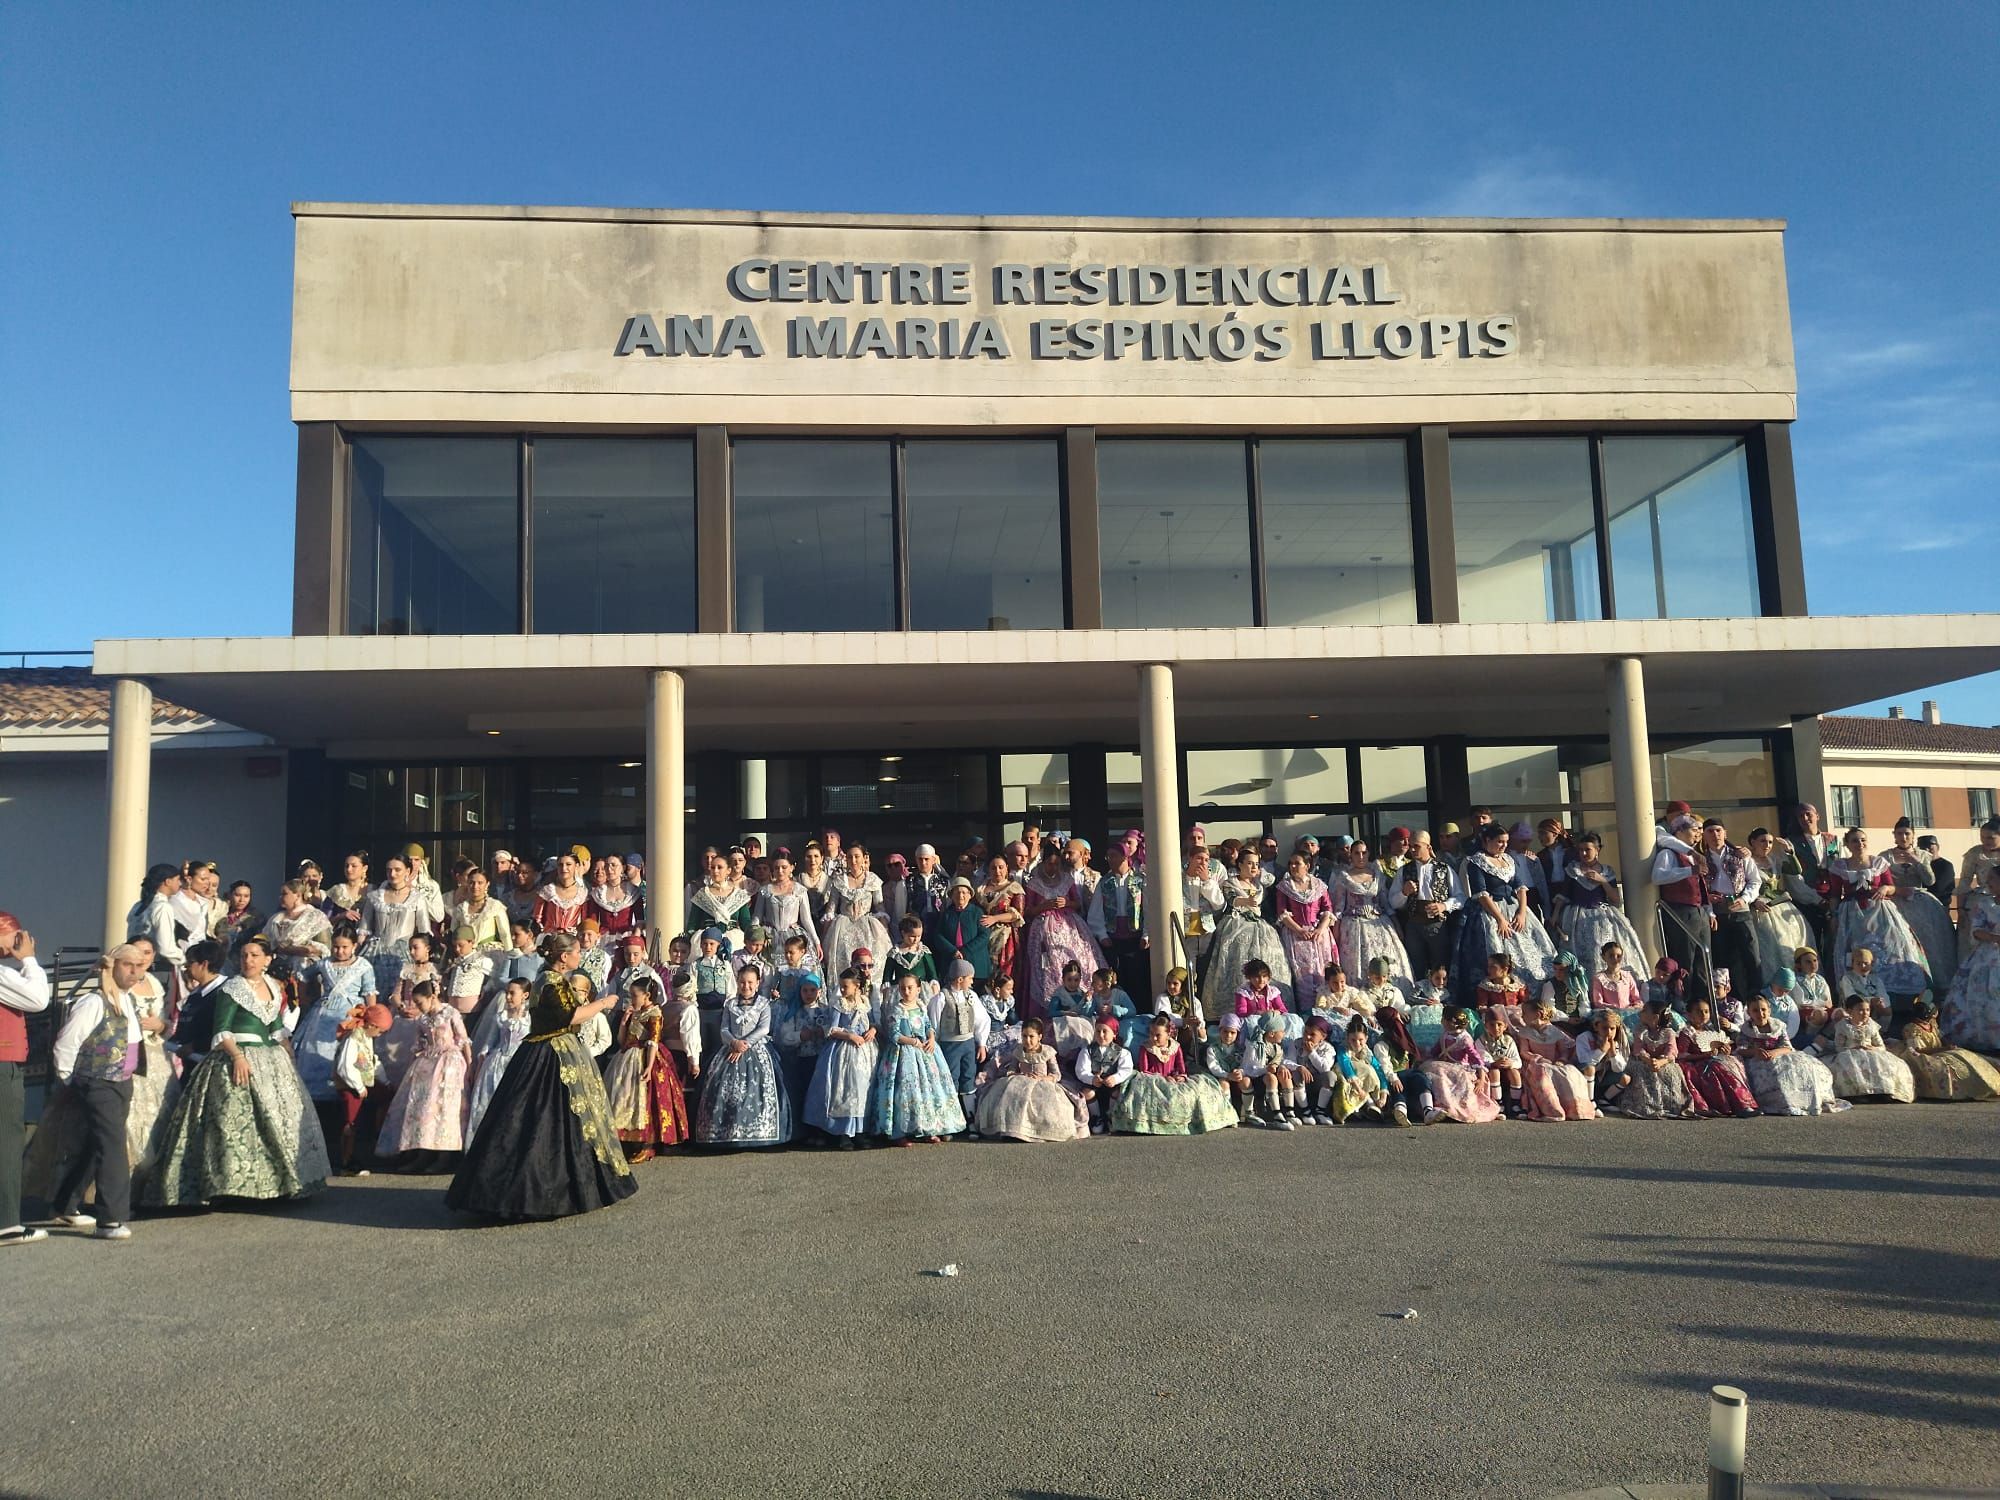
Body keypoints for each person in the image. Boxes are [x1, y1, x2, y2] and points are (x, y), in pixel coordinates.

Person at [447, 934, 635, 1220]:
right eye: (575, 952)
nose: (579, 956)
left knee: (556, 1120)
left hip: (547, 1050)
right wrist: (604, 1003)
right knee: (549, 1119)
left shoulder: (548, 979)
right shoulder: (552, 982)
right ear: (564, 957)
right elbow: (568, 1017)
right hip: (552, 1054)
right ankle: (536, 1191)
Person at [141, 934, 332, 1206]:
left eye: (254, 955)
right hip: (236, 1057)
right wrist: (237, 1057)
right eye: (244, 955)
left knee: (282, 1118)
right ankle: (233, 1186)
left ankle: (284, 1182)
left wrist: (286, 1046)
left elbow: (275, 1026)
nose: (248, 960)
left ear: (268, 959)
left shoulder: (272, 986)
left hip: (271, 1059)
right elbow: (222, 1030)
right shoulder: (233, 988)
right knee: (231, 1121)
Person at [44, 946, 163, 1239]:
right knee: (112, 1146)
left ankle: (64, 1204)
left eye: (139, 965)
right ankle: (111, 1218)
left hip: (121, 1080)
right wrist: (68, 1079)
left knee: (93, 1144)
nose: (136, 972)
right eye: (128, 965)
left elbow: (133, 1039)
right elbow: (67, 1043)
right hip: (98, 1081)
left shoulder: (126, 999)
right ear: (112, 967)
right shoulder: (93, 1003)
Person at [1452, 822, 1557, 1005]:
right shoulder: (1476, 862)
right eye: (1499, 841)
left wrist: (1522, 912)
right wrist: (1500, 919)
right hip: (1489, 912)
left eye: (1506, 842)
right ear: (1487, 841)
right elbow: (1481, 894)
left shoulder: (1508, 859)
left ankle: (1532, 998)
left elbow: (1520, 886)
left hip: (1514, 908)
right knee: (1495, 951)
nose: (1504, 845)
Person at [1825, 827, 1930, 1002]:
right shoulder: (1839, 866)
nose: (1860, 844)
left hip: (1879, 912)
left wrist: (1884, 888)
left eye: (1863, 840)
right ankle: (1857, 995)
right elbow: (1835, 894)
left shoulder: (1878, 862)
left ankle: (1895, 997)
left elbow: (1892, 887)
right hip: (1852, 914)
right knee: (1856, 951)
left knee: (1891, 948)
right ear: (1847, 844)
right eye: (1855, 841)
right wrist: (1834, 916)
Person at [375, 980, 472, 1169]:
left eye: (420, 1003)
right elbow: (418, 1044)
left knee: (444, 1109)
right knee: (421, 1107)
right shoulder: (423, 1019)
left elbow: (463, 1040)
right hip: (427, 1063)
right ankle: (421, 1152)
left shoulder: (450, 1013)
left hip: (448, 1064)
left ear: (432, 997)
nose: (417, 1007)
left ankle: (443, 1156)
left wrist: (469, 1067)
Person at [695, 966, 793, 1148]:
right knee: (721, 1086)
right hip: (730, 1048)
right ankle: (723, 1131)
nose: (745, 986)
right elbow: (724, 1028)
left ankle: (759, 1131)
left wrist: (744, 1044)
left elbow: (764, 1029)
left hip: (756, 1049)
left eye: (750, 982)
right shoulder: (730, 1004)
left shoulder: (764, 1004)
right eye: (742, 982)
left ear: (757, 983)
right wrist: (734, 1043)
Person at [868, 972, 966, 1144]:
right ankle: (900, 1132)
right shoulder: (896, 1010)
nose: (906, 991)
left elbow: (928, 1025)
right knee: (904, 1091)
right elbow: (894, 1034)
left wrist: (932, 1038)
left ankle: (929, 1127)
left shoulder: (921, 1006)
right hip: (903, 1053)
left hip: (924, 1051)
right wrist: (912, 1041)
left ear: (918, 989)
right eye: (903, 988)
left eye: (910, 988)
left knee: (929, 1089)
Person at [603, 973, 689, 1160]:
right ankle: (628, 1140)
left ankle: (648, 1143)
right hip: (627, 1056)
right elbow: (621, 1040)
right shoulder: (635, 1012)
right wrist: (624, 1023)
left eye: (635, 995)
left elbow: (653, 1042)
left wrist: (649, 1067)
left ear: (647, 996)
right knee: (623, 1097)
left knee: (647, 1100)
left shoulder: (654, 1014)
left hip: (645, 1057)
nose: (632, 999)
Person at [1018, 846, 1108, 1019]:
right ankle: (1048, 1008)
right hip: (1043, 928)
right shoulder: (1034, 883)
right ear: (1043, 863)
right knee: (1046, 968)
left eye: (1056, 864)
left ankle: (1085, 1001)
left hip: (1069, 925)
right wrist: (1044, 906)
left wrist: (1066, 902)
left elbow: (1078, 904)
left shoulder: (1067, 880)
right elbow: (1028, 911)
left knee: (1081, 959)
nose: (1053, 868)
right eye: (1050, 864)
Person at [1198, 848, 1292, 1011]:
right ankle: (1235, 1004)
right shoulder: (1231, 882)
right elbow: (1231, 899)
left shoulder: (1258, 884)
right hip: (1237, 923)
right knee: (1236, 952)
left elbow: (1271, 880)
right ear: (1240, 864)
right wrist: (1245, 901)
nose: (1253, 867)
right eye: (1249, 863)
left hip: (1259, 924)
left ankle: (1269, 1001)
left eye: (1256, 864)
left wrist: (1260, 874)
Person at [1112, 1012, 1236, 1135]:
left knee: (1193, 1092)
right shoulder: (1146, 1047)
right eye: (1151, 1034)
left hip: (1173, 1078)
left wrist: (1179, 1075)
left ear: (1168, 1034)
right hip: (1152, 1079)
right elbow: (1144, 1070)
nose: (1153, 1038)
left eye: (1158, 1035)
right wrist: (1163, 1078)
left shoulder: (1175, 1047)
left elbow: (1181, 1067)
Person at [970, 1016, 1085, 1142]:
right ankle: (1013, 1131)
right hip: (1022, 1081)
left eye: (1031, 1037)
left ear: (1039, 1037)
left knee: (1046, 1102)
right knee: (1012, 1094)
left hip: (1042, 1083)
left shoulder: (1047, 1052)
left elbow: (1056, 1074)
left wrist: (1044, 1078)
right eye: (1024, 1036)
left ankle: (1038, 1131)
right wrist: (1017, 1074)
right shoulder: (1019, 1051)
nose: (1027, 1040)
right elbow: (1012, 1069)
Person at [1556, 833, 1647, 984]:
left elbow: (1616, 899)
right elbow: (1564, 894)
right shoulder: (1573, 870)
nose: (1583, 853)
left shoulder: (1607, 871)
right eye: (1581, 850)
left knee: (1602, 948)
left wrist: (1602, 881)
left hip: (1602, 915)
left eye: (1587, 850)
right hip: (1577, 917)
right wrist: (1555, 915)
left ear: (1597, 850)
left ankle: (1610, 986)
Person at [803, 968, 879, 1146]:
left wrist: (873, 1030)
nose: (843, 990)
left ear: (856, 986)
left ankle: (860, 1130)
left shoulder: (865, 1002)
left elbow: (873, 1021)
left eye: (846, 986)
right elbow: (832, 1029)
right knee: (844, 1090)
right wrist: (849, 1036)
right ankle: (843, 1131)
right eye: (841, 986)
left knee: (862, 1090)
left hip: (864, 1052)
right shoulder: (839, 1005)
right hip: (843, 1051)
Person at [1735, 993, 1841, 1116]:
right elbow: (1740, 1049)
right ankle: (1783, 1103)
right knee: (1773, 1074)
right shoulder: (1746, 1029)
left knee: (1803, 1067)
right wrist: (1755, 1051)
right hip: (1757, 1060)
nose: (1760, 1013)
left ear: (1769, 1010)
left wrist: (1775, 1052)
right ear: (1749, 1012)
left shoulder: (1778, 1026)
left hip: (1780, 1055)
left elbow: (1787, 1047)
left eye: (1763, 1009)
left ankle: (1806, 1101)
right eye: (1755, 1010)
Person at [1884, 818, 1957, 994]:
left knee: (1929, 942)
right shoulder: (1885, 856)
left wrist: (1916, 861)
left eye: (1907, 833)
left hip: (1920, 901)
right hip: (1896, 901)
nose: (1903, 837)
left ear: (1913, 836)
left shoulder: (1923, 855)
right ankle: (1907, 984)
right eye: (1899, 833)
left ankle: (1935, 982)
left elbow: (1930, 880)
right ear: (1894, 836)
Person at [360, 853, 445, 997]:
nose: (392, 873)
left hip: (405, 952)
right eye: (389, 870)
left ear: (408, 871)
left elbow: (424, 931)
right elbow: (364, 929)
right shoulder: (375, 897)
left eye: (397, 870)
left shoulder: (416, 898)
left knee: (402, 993)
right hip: (376, 952)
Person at [1648, 806, 1713, 989]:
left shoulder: (1693, 856)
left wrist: (1709, 911)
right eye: (1693, 830)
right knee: (1686, 960)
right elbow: (1658, 876)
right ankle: (1684, 1000)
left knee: (1703, 960)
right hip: (1681, 910)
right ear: (1679, 832)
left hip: (1699, 912)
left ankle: (1703, 1002)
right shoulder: (1668, 853)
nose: (1698, 834)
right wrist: (1689, 870)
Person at [1891, 997, 2000, 1102]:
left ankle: (1989, 1084)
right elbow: (1918, 1050)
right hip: (1925, 1055)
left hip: (1940, 1051)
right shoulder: (1912, 1028)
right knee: (1948, 1067)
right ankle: (1970, 1089)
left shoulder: (1932, 1025)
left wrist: (1949, 1046)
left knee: (1966, 1056)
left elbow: (1942, 1037)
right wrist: (1944, 1049)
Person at [1745, 828, 1815, 987]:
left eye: (1770, 842)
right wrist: (1754, 900)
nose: (1767, 845)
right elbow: (1742, 886)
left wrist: (1790, 852)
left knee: (1794, 941)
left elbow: (1796, 870)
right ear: (1752, 842)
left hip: (1780, 906)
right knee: (1771, 948)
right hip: (1761, 909)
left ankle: (1799, 983)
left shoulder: (1774, 860)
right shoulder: (1747, 862)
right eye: (1763, 841)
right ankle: (1775, 985)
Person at [330, 1003, 395, 1174]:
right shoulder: (352, 1039)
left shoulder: (366, 1037)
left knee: (385, 1098)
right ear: (372, 1025)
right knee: (350, 1122)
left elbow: (370, 1061)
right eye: (380, 1031)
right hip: (349, 1085)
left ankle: (376, 1142)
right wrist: (358, 1087)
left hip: (362, 1083)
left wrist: (385, 1081)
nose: (380, 1035)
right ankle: (346, 1160)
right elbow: (344, 1067)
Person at [1942, 865, 2000, 1051]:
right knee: (1980, 993)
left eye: (1992, 879)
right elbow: (1976, 930)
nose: (1988, 883)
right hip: (1987, 955)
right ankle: (1985, 1038)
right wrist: (1994, 938)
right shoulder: (1985, 904)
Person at [1674, 994, 1761, 1118]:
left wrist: (1725, 1049)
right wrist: (1704, 1055)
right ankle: (1732, 1105)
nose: (1703, 1015)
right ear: (1689, 1014)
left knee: (1732, 1062)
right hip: (1697, 1063)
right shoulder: (1687, 1032)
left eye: (1706, 1011)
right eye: (1699, 1012)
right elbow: (1682, 1055)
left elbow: (1723, 1045)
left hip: (1714, 1060)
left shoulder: (1711, 1029)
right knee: (1716, 1068)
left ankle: (1745, 1104)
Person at [1514, 994, 1597, 1121]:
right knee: (1541, 1071)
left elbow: (1564, 1051)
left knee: (1569, 1072)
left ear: (1538, 1014)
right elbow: (1524, 1051)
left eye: (1525, 1013)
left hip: (1554, 1063)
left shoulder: (1555, 1031)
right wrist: (1538, 1058)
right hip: (1534, 1064)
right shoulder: (1525, 1032)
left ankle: (1577, 1109)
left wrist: (1561, 1060)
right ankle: (1552, 1110)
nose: (1522, 1017)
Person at [1391, 830, 1461, 979]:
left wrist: (1444, 906)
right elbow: (1392, 902)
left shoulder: (1444, 869)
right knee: (1416, 965)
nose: (1412, 849)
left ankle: (1442, 996)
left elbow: (1460, 897)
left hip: (1437, 924)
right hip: (1413, 923)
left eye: (1416, 846)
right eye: (1411, 846)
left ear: (1428, 847)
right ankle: (1419, 996)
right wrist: (1404, 893)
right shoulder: (1404, 871)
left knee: (1441, 964)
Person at [929, 959, 991, 1127]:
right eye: (970, 978)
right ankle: (951, 1119)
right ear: (960, 979)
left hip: (968, 1044)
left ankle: (969, 1117)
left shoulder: (971, 996)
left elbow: (981, 1020)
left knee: (968, 1077)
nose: (972, 982)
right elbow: (933, 1023)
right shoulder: (941, 998)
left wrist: (981, 1043)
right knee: (951, 1078)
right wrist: (935, 1042)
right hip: (950, 1046)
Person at [1827, 994, 1916, 1104]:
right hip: (1850, 1052)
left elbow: (1881, 1045)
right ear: (1850, 1011)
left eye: (1868, 1010)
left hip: (1870, 1051)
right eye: (1860, 1010)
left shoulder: (1871, 1025)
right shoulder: (1843, 1026)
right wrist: (1854, 1048)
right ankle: (1856, 1093)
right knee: (1849, 1062)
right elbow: (1839, 1047)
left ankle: (1882, 1091)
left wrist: (1873, 1048)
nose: (1865, 1013)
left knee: (1882, 1062)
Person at [1087, 844, 1148, 1002]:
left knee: (1136, 975)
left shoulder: (1140, 880)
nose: (1110, 860)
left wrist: (1146, 934)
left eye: (1113, 856)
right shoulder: (1105, 882)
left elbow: (1147, 908)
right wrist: (1101, 934)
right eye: (1108, 857)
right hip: (1113, 938)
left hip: (1135, 937)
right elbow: (1096, 911)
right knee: (1115, 976)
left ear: (1125, 857)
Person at [1418, 1007, 1502, 1124]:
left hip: (1461, 1068)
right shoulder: (1445, 1035)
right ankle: (1439, 1106)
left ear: (1450, 1022)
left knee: (1448, 1078)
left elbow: (1477, 1059)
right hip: (1444, 1065)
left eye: (1443, 1019)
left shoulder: (1465, 1039)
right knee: (1433, 1073)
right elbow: (1435, 1050)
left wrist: (1481, 1078)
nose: (1441, 1021)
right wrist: (1424, 1055)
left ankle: (1454, 1109)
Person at [1619, 997, 1698, 1120]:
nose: (1640, 1013)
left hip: (1664, 1061)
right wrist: (1649, 1060)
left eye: (1644, 1011)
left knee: (1671, 1072)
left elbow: (1671, 1051)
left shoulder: (1668, 1032)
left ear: (1655, 1017)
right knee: (1642, 1070)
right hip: (1642, 1060)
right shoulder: (1640, 1030)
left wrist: (1661, 1061)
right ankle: (1646, 1105)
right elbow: (1638, 1049)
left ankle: (1670, 1105)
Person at [822, 845, 892, 982]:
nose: (853, 860)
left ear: (864, 858)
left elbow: (879, 906)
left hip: (867, 925)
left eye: (856, 856)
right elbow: (831, 908)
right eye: (849, 857)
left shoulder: (872, 879)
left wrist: (885, 931)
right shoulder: (839, 880)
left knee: (871, 961)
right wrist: (824, 936)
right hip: (843, 927)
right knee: (843, 963)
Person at [753, 852, 822, 963]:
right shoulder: (765, 890)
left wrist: (816, 941)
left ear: (791, 868)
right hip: (770, 936)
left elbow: (806, 919)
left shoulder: (799, 890)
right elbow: (757, 917)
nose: (780, 871)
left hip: (793, 937)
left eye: (784, 867)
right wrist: (754, 937)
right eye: (776, 868)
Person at [1074, 1014, 1135, 1135]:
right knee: (1087, 1093)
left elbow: (1126, 1069)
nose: (1101, 1035)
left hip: (1112, 1084)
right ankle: (1097, 1117)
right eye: (1098, 1031)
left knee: (1118, 1092)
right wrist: (1091, 1079)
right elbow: (1081, 1070)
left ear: (1114, 1033)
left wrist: (1115, 1078)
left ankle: (1111, 1116)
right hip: (1095, 1084)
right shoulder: (1087, 1050)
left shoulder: (1122, 1052)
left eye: (1105, 1031)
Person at [1573, 1008, 1632, 1110]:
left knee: (1625, 1078)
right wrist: (1601, 1050)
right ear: (1596, 1026)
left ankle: (1604, 1100)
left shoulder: (1616, 1042)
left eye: (1612, 1029)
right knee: (1590, 1068)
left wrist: (1613, 1054)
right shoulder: (1584, 1038)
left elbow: (1619, 1069)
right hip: (1584, 1077)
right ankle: (1590, 1103)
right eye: (1604, 1028)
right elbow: (1585, 1061)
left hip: (1602, 1078)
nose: (1609, 1032)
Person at [534, 847, 595, 936]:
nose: (564, 868)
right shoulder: (547, 891)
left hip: (572, 940)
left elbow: (584, 921)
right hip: (549, 939)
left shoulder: (583, 893)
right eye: (560, 865)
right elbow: (537, 919)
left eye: (568, 864)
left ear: (576, 866)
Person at [452, 866, 511, 952]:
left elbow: (505, 934)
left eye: (480, 883)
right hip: (465, 954)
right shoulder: (460, 909)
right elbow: (454, 933)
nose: (475, 886)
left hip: (489, 954)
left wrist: (510, 954)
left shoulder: (494, 906)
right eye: (472, 882)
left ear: (487, 884)